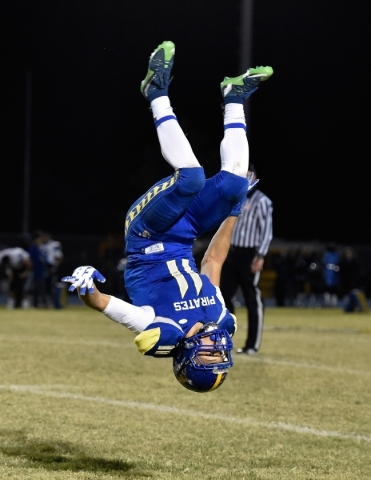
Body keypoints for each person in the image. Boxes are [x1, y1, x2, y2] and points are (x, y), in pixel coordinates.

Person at [62, 41, 273, 392]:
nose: (217, 347)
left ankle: (156, 91)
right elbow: (214, 260)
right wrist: (234, 209)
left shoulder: (162, 331)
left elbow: (102, 303)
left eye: (209, 356)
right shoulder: (219, 318)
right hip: (185, 233)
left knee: (190, 177)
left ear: (187, 357)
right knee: (235, 183)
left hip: (146, 234)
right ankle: (234, 97)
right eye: (219, 355)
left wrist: (85, 285)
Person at [219, 163, 273, 355]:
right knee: (223, 296)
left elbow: (266, 231)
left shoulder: (262, 201)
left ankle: (252, 344)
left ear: (255, 176)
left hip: (250, 254)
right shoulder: (236, 198)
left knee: (252, 298)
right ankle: (225, 338)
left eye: (249, 175)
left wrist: (261, 256)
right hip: (232, 253)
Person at [41, 233, 64, 308]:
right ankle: (46, 303)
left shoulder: (54, 244)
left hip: (52, 267)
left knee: (52, 286)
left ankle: (55, 303)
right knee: (44, 286)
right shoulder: (41, 245)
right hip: (43, 267)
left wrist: (55, 266)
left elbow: (59, 256)